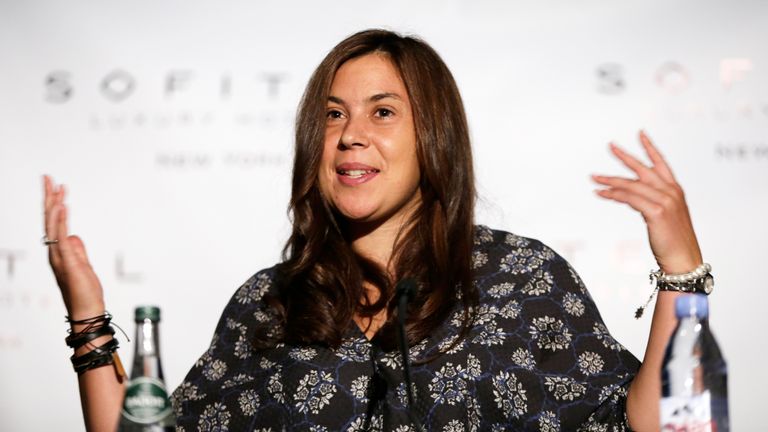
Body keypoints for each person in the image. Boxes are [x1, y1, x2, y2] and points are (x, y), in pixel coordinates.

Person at [44, 29, 706, 431]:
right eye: (332, 116)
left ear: (432, 137)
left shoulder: (519, 280)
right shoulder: (272, 304)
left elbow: (667, 427)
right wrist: (87, 316)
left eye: (381, 112)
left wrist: (682, 269)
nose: (350, 134)